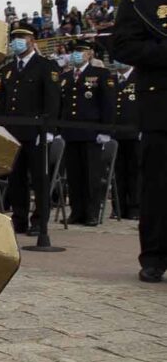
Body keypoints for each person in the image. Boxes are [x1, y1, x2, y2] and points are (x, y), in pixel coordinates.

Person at [108, 0, 167, 282]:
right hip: (161, 104)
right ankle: (155, 256)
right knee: (158, 184)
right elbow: (122, 45)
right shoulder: (141, 0)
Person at [0, 28, 61, 235]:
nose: (16, 42)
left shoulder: (45, 66)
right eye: (13, 39)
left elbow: (52, 99)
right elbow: (1, 103)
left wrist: (49, 130)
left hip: (36, 133)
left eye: (20, 38)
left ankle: (40, 221)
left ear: (31, 40)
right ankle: (19, 218)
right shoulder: (9, 69)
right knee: (16, 179)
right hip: (14, 132)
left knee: (39, 179)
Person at [59, 39, 115, 227]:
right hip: (71, 133)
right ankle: (77, 211)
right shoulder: (66, 77)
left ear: (90, 54)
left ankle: (91, 213)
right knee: (74, 176)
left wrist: (106, 130)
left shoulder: (100, 74)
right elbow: (62, 105)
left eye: (81, 51)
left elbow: (108, 103)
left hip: (92, 133)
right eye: (74, 51)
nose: (76, 54)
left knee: (92, 176)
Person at [111, 62, 140, 220]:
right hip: (116, 134)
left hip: (135, 134)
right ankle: (118, 207)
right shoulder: (111, 80)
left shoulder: (139, 77)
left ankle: (135, 207)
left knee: (134, 172)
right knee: (118, 173)